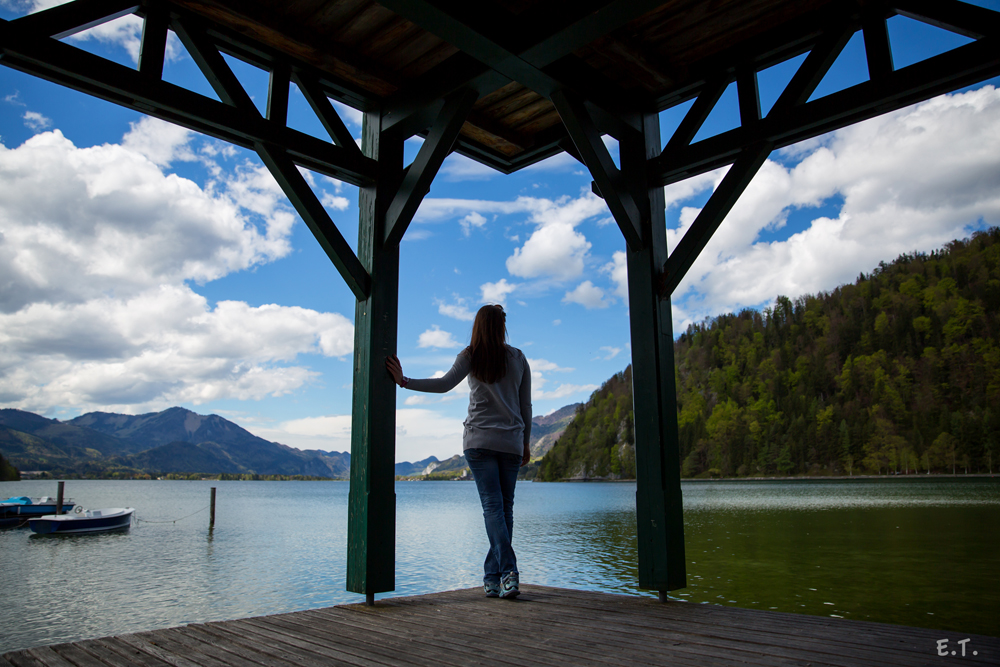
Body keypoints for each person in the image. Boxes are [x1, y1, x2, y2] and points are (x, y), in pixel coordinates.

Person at [386, 304, 531, 599]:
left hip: (478, 441)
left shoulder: (470, 355)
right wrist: (526, 441)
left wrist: (404, 381)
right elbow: (525, 404)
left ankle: (501, 574)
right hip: (511, 443)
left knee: (494, 508)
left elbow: (443, 385)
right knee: (504, 508)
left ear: (478, 326)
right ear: (501, 327)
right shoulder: (518, 358)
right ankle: (502, 576)